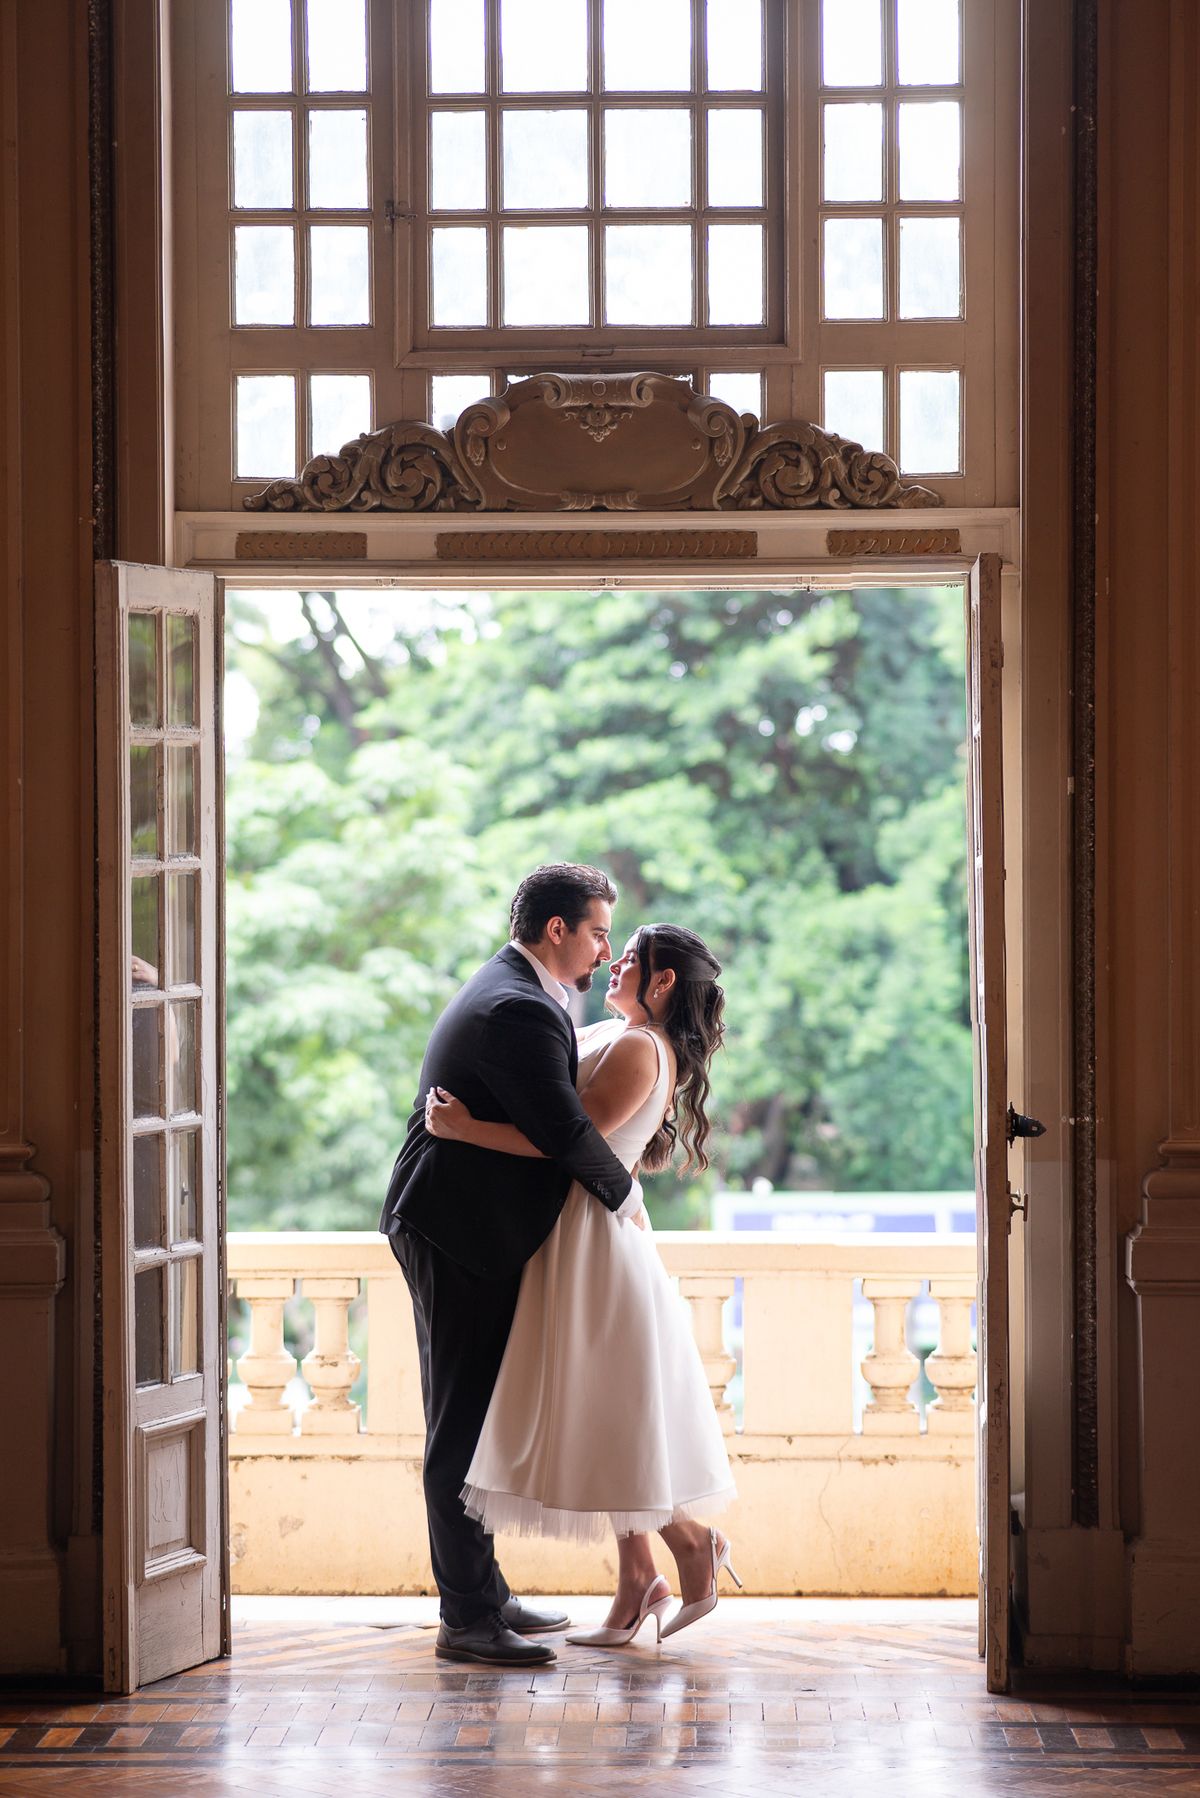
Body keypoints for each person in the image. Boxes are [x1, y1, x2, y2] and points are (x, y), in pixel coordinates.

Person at [425, 920, 740, 1648]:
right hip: (574, 1236)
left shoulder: (636, 1045)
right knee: (596, 1417)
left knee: (607, 1414)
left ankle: (692, 1546)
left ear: (663, 983)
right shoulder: (615, 1029)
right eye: (614, 945)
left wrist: (468, 1129)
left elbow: (570, 1141)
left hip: (596, 1242)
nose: (613, 960)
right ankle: (639, 1581)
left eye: (631, 957)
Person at [379, 863, 646, 1667]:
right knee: (460, 1428)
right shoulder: (518, 1008)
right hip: (458, 1231)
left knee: (471, 1419)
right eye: (598, 932)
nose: (604, 950)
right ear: (557, 930)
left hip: (459, 1222)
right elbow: (566, 1133)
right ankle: (467, 1620)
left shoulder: (524, 991)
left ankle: (486, 1595)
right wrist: (625, 1200)